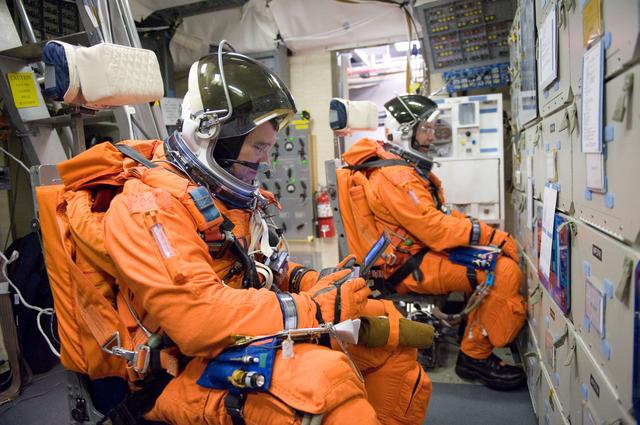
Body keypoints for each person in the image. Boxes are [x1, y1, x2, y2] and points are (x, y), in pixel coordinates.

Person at [41, 49, 431, 425]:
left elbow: (259, 267)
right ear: (212, 134)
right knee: (325, 384)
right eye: (258, 146)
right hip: (176, 369)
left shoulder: (220, 197)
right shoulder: (148, 209)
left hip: (235, 337)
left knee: (391, 336)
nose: (266, 159)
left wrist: (313, 281)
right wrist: (314, 308)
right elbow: (198, 318)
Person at [337, 94, 526, 390]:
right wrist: (494, 236)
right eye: (425, 129)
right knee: (504, 271)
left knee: (489, 254)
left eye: (431, 129)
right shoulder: (395, 176)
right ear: (404, 132)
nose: (431, 136)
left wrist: (480, 231)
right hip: (407, 268)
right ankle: (474, 357)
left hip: (419, 254)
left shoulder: (400, 169)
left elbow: (438, 217)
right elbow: (435, 229)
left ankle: (475, 331)